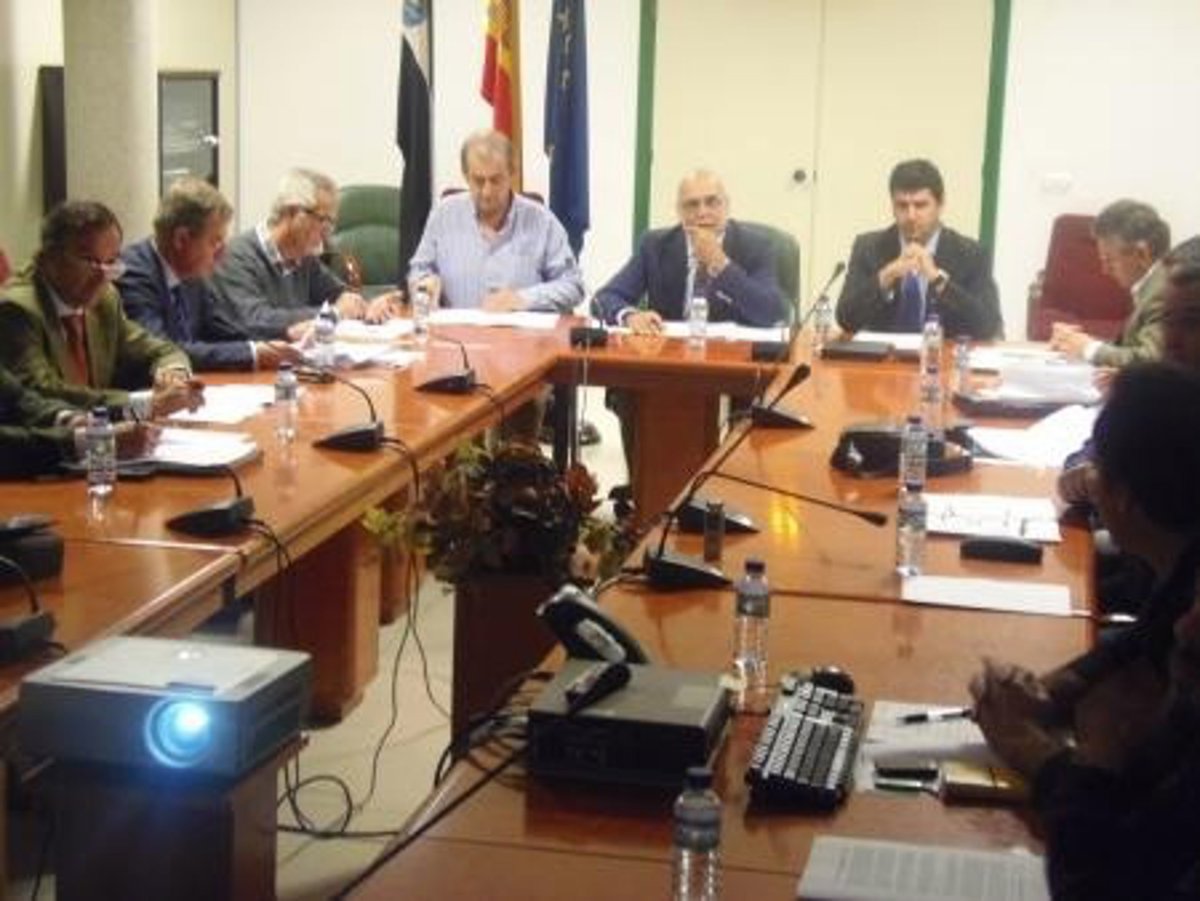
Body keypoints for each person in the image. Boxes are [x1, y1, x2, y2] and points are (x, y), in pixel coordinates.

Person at [971, 362, 1200, 899]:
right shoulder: (1184, 574)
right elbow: (1142, 640)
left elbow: (1101, 883)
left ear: (1121, 496)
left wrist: (1041, 757)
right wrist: (1052, 690)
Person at [0, 202, 202, 420]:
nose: (102, 277)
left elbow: (160, 350)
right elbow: (42, 394)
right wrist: (142, 404)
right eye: (89, 261)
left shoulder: (105, 299)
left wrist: (173, 375)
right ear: (49, 258)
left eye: (111, 262)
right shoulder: (16, 309)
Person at [119, 177, 305, 372]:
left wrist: (282, 336)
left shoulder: (190, 272)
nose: (223, 253)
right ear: (181, 239)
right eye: (215, 242)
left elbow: (221, 328)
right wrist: (252, 353)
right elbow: (164, 351)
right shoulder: (133, 275)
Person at [407, 129, 585, 312]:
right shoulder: (443, 216)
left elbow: (573, 286)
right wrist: (424, 285)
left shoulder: (542, 222)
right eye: (478, 181)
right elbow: (420, 269)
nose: (487, 192)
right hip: (456, 329)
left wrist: (522, 299)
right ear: (465, 176)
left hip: (521, 330)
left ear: (512, 174)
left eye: (496, 180)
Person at [211, 168, 398, 340]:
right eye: (323, 220)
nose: (327, 233)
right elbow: (254, 319)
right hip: (249, 362)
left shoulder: (304, 257)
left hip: (295, 357)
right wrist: (333, 313)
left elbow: (338, 294)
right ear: (292, 212)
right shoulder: (236, 256)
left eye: (331, 223)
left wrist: (367, 304)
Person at [593, 169, 785, 331]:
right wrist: (630, 316)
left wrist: (721, 264)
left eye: (712, 202)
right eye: (692, 205)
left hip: (733, 356)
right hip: (671, 355)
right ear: (679, 211)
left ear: (726, 205)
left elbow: (771, 313)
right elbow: (603, 299)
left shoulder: (757, 246)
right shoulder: (655, 246)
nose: (702, 212)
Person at [836, 159, 1002, 339]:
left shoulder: (972, 254)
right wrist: (887, 276)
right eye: (902, 206)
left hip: (942, 354)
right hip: (884, 355)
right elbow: (846, 319)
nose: (911, 216)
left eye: (920, 205)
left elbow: (987, 325)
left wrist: (938, 280)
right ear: (892, 206)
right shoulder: (868, 248)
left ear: (940, 204)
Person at [1050, 199, 1171, 368]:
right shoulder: (1155, 282)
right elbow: (1132, 347)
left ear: (1142, 254)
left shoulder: (1165, 292)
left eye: (1109, 260)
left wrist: (1089, 348)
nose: (1105, 270)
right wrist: (1080, 342)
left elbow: (1150, 361)